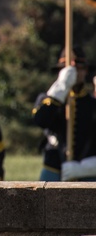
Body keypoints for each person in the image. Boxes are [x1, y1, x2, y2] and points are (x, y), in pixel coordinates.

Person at [33, 47, 96, 181]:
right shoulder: (48, 98)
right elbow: (40, 120)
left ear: (86, 71)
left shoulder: (92, 103)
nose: (75, 72)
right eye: (68, 69)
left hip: (86, 173)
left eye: (79, 68)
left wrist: (85, 168)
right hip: (54, 170)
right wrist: (61, 88)